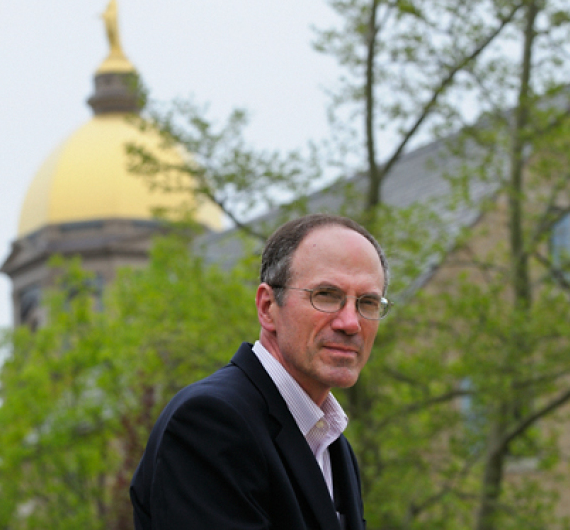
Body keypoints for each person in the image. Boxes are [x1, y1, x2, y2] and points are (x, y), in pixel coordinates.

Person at [130, 214, 391, 530]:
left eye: (367, 303)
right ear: (268, 307)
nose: (350, 323)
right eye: (326, 295)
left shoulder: (332, 445)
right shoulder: (211, 423)